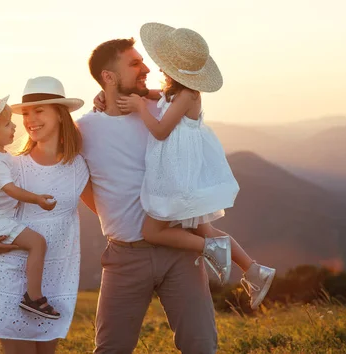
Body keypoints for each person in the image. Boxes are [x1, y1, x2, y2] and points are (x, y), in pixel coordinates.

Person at [96, 23, 275, 310]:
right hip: (179, 172)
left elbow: (160, 131)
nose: (156, 68)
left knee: (155, 231)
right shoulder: (173, 92)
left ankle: (212, 251)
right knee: (204, 227)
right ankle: (255, 271)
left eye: (161, 63)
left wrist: (141, 108)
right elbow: (148, 95)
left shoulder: (187, 95)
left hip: (176, 176)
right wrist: (109, 96)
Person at [77, 36, 218, 353]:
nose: (145, 68)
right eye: (134, 63)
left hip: (180, 250)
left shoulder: (163, 108)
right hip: (125, 256)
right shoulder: (85, 129)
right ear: (108, 78)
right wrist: (115, 218)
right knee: (112, 348)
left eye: (142, 61)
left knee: (201, 346)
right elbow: (79, 184)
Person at [0, 76, 90, 354]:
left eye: (39, 110)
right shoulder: (13, 167)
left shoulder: (79, 166)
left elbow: (105, 209)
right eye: (26, 113)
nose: (30, 119)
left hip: (57, 278)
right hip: (13, 278)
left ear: (60, 115)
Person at [0, 95, 61, 319]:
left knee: (12, 257)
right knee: (37, 243)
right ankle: (34, 298)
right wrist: (37, 199)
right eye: (7, 124)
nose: (14, 125)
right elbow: (11, 189)